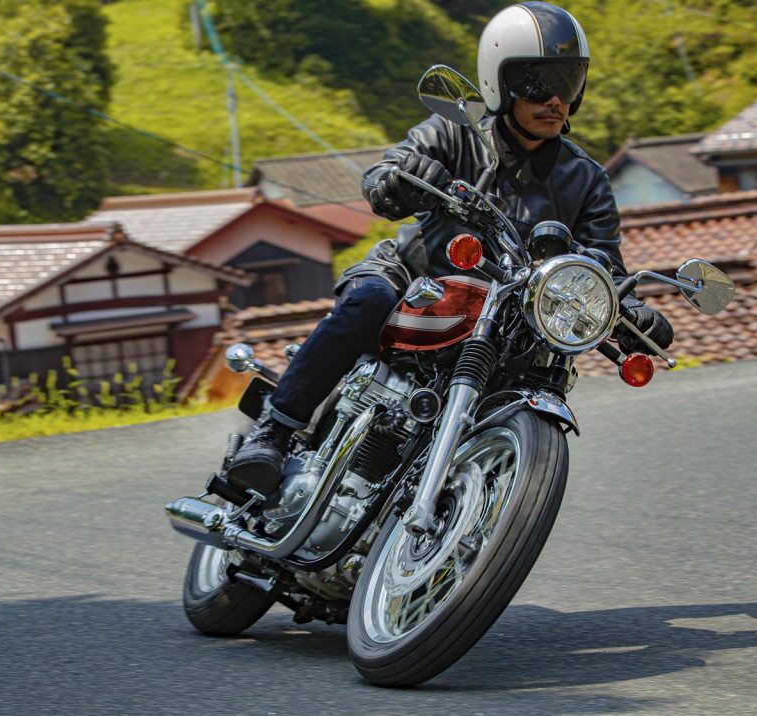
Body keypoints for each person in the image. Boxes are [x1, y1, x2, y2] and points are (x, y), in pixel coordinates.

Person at [227, 1, 674, 495]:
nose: (554, 100)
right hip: (415, 279)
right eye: (536, 84)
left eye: (567, 84)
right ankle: (276, 428)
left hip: (507, 317)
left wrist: (625, 304)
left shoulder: (586, 179)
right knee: (368, 300)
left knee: (534, 369)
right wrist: (403, 178)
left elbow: (603, 259)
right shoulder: (456, 134)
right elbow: (386, 172)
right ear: (498, 85)